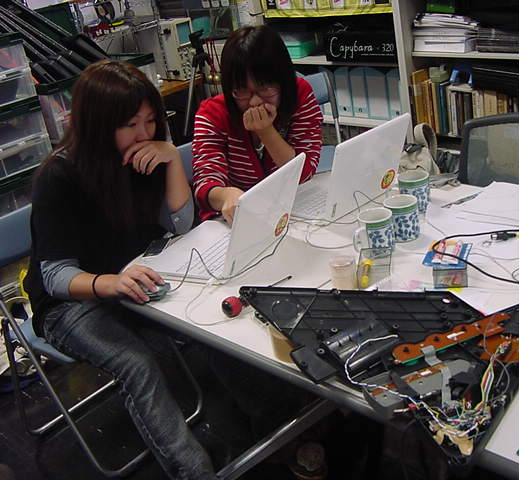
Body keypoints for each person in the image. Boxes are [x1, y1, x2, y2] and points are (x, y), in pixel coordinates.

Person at [23, 60, 215, 480]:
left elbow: (181, 225)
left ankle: (265, 420)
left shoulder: (144, 158)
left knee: (211, 321)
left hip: (132, 281)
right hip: (70, 303)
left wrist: (171, 159)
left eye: (150, 120)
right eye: (130, 124)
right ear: (98, 125)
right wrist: (111, 283)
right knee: (137, 364)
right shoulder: (60, 176)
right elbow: (55, 277)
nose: (144, 133)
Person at [192, 24, 323, 224]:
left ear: (283, 82)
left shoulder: (300, 95)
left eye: (265, 88)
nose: (254, 102)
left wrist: (266, 132)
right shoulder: (212, 113)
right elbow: (204, 186)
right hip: (237, 218)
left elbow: (304, 173)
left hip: (290, 206)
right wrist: (226, 195)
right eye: (242, 91)